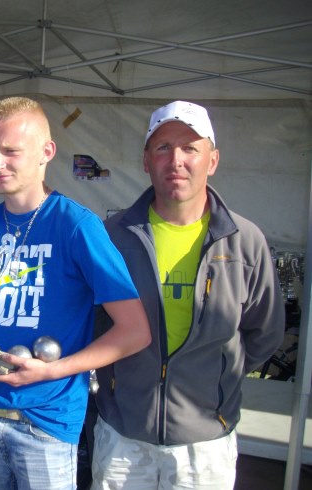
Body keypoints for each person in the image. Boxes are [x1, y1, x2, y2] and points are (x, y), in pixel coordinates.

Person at [0, 96, 151, 490]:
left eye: (11, 151)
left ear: (46, 152)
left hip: (46, 423)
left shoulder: (76, 226)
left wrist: (53, 369)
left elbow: (135, 331)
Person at [92, 100, 285, 489]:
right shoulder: (110, 236)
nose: (176, 160)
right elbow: (94, 323)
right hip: (122, 436)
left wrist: (213, 379)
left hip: (205, 445)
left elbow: (264, 334)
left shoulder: (244, 241)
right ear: (146, 160)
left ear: (212, 160)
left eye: (190, 148)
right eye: (163, 147)